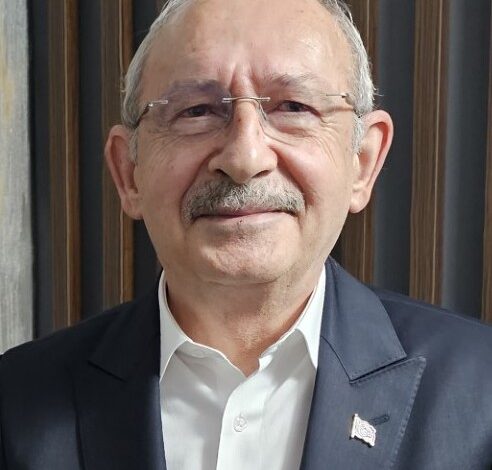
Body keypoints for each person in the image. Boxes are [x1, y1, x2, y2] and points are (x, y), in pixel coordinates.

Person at [1, 0, 492, 468]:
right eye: (196, 111)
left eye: (294, 107)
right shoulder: (14, 405)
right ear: (129, 173)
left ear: (362, 163)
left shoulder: (480, 395)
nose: (244, 157)